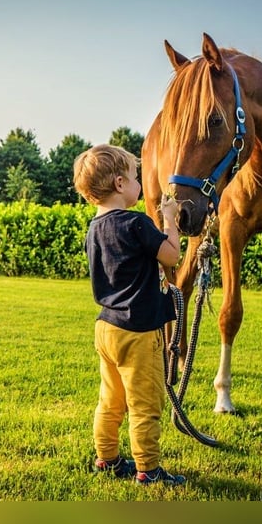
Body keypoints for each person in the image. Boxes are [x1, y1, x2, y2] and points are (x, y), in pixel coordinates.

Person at [72, 144, 186, 486]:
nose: (140, 184)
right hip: (138, 332)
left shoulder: (94, 229)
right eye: (136, 178)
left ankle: (106, 459)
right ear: (120, 183)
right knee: (144, 404)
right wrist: (169, 218)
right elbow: (172, 256)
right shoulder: (136, 223)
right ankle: (148, 470)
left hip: (107, 327)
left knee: (110, 401)